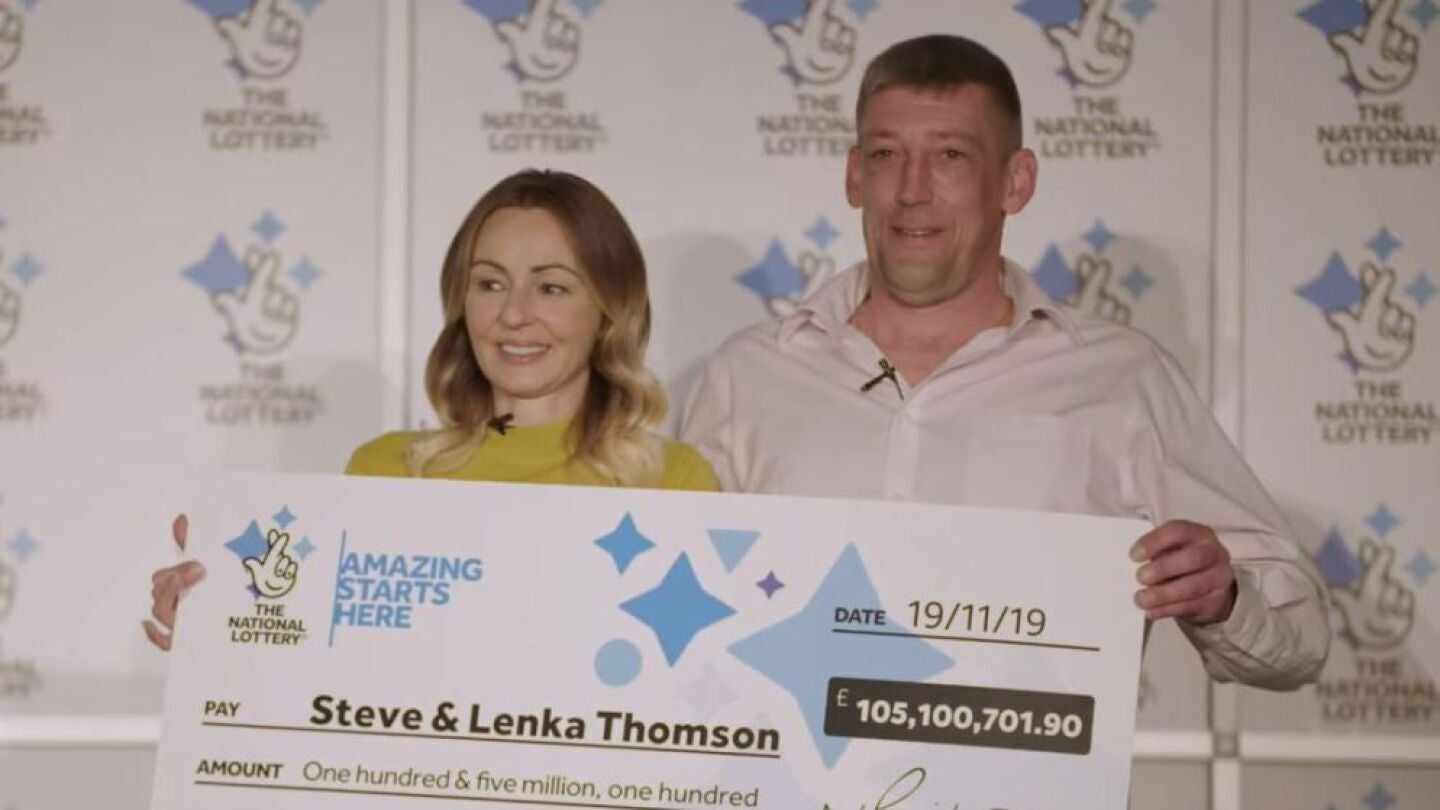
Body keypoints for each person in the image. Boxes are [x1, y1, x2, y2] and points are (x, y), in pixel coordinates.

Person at [679, 35, 1329, 689]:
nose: (911, 190)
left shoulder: (1121, 378)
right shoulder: (748, 378)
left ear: (1015, 182)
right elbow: (677, 626)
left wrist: (1224, 598)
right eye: (885, 155)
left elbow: (1298, 634)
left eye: (950, 157)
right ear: (854, 175)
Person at [145, 169, 718, 649]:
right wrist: (221, 624)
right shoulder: (388, 472)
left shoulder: (672, 482)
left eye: (551, 288)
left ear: (610, 309)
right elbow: (324, 674)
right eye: (489, 284)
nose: (514, 314)